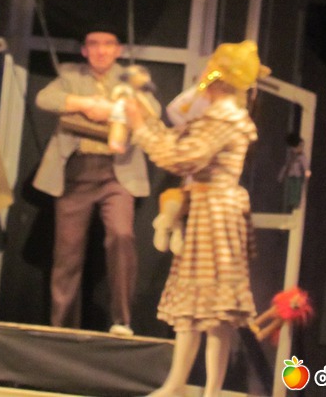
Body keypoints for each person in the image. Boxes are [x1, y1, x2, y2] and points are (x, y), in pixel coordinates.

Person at [125, 40, 270, 397]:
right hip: (207, 209)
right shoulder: (218, 116)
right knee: (192, 304)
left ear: (218, 77)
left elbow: (183, 158)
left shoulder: (225, 118)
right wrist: (146, 121)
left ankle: (211, 391)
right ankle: (176, 384)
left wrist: (141, 129)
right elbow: (178, 140)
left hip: (216, 214)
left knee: (216, 310)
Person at [32, 28, 160, 336]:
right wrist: (83, 103)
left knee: (121, 235)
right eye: (94, 44)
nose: (101, 51)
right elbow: (44, 98)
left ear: (118, 50)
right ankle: (62, 326)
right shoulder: (70, 75)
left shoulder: (131, 78)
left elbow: (153, 111)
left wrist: (114, 110)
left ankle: (121, 321)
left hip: (117, 174)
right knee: (67, 253)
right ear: (85, 50)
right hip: (76, 173)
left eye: (107, 44)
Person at [277, 133, 311, 211]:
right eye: (299, 146)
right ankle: (291, 203)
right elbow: (286, 166)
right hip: (290, 176)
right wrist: (281, 176)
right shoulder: (291, 157)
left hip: (297, 176)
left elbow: (305, 165)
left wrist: (307, 174)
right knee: (291, 190)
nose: (301, 148)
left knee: (296, 190)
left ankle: (295, 204)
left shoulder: (301, 157)